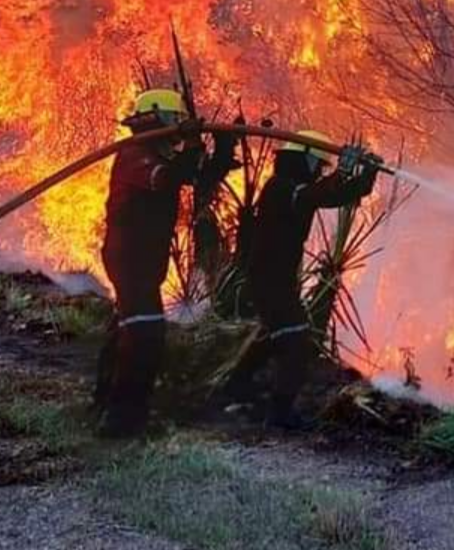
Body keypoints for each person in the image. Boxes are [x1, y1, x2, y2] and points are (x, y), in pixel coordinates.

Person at [94, 88, 237, 438]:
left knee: (131, 328)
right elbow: (167, 179)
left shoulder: (159, 154)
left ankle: (106, 401)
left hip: (145, 259)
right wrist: (191, 145)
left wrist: (224, 146)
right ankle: (122, 419)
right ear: (157, 119)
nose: (178, 127)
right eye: (175, 120)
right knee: (145, 333)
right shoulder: (134, 154)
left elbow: (199, 177)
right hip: (130, 258)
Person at [223, 130, 378, 429]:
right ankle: (279, 414)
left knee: (276, 334)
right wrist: (343, 169)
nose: (319, 170)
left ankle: (235, 387)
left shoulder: (299, 191)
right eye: (317, 165)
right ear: (302, 160)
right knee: (296, 342)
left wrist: (366, 174)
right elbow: (318, 193)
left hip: (276, 278)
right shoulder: (281, 188)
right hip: (269, 278)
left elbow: (338, 195)